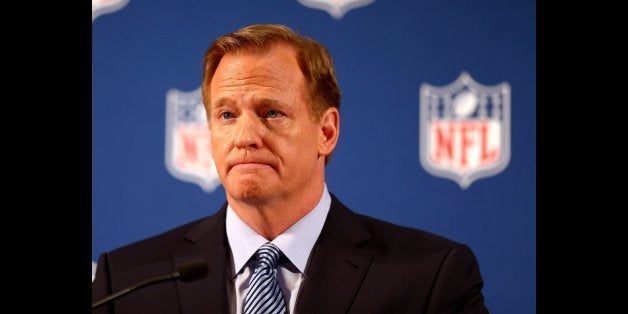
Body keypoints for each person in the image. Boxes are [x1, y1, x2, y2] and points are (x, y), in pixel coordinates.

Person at [92, 24, 489, 313]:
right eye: (227, 114)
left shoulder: (430, 277)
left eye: (271, 112)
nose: (245, 136)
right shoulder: (128, 281)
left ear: (327, 131)